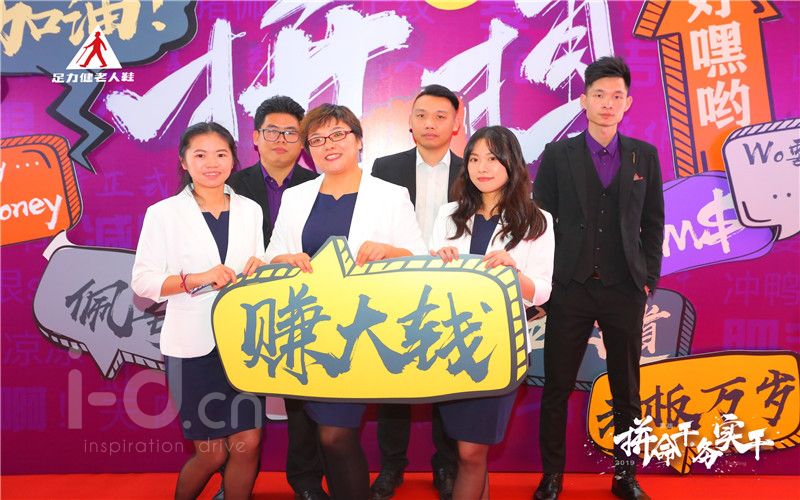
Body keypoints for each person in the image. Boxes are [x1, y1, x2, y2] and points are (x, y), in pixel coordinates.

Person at [265, 104, 426, 499]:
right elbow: (272, 256)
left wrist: (390, 250)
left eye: (338, 135)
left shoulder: (390, 195)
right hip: (310, 330)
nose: (328, 145)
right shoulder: (297, 197)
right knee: (329, 433)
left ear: (358, 140)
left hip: (362, 332)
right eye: (317, 139)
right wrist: (284, 259)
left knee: (335, 433)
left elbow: (419, 259)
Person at [532, 56, 664, 500]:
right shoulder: (558, 155)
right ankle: (552, 476)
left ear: (628, 103)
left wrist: (647, 276)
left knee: (627, 388)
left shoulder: (644, 155)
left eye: (616, 96)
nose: (608, 103)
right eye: (599, 95)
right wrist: (547, 281)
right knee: (557, 387)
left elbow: (653, 223)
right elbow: (541, 222)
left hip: (624, 288)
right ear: (584, 100)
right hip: (569, 288)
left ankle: (625, 476)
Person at [132, 122, 267, 500]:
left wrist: (263, 267)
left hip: (243, 344)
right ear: (184, 161)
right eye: (201, 155)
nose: (212, 163)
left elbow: (257, 265)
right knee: (211, 453)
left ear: (233, 160)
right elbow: (142, 282)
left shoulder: (250, 210)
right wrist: (196, 279)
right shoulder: (163, 213)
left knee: (248, 444)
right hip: (192, 349)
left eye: (221, 154)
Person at [429, 126, 554, 500]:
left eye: (492, 158)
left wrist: (514, 274)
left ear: (511, 163)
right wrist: (435, 261)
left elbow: (543, 291)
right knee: (467, 451)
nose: (481, 167)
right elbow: (428, 283)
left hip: (501, 347)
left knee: (471, 452)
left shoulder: (536, 219)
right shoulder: (449, 214)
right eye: (473, 159)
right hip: (451, 344)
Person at [228, 95, 325, 500]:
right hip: (244, 307)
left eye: (290, 132)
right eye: (272, 131)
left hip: (303, 306)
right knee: (241, 398)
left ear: (302, 140)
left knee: (303, 399)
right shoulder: (231, 185)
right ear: (255, 137)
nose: (281, 140)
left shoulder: (320, 186)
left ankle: (306, 481)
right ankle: (234, 483)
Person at [370, 83, 463, 500]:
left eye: (441, 116)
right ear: (409, 120)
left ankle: (445, 465)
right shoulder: (384, 168)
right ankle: (391, 466)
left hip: (451, 290)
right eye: (422, 115)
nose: (430, 124)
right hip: (396, 288)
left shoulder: (472, 171)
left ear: (456, 124)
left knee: (448, 380)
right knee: (394, 381)